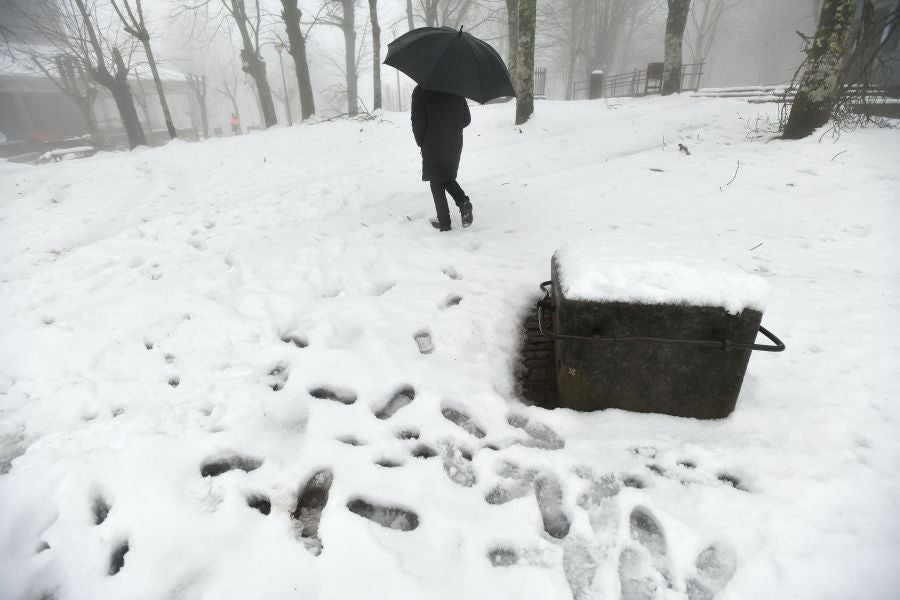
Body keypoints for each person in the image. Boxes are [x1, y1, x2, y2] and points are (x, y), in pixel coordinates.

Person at [411, 85, 473, 232]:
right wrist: (451, 126)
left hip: (432, 141)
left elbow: (418, 120)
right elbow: (466, 119)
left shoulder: (421, 90)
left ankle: (445, 224)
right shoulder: (456, 88)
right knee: (445, 176)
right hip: (453, 141)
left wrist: (421, 141)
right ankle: (463, 202)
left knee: (436, 181)